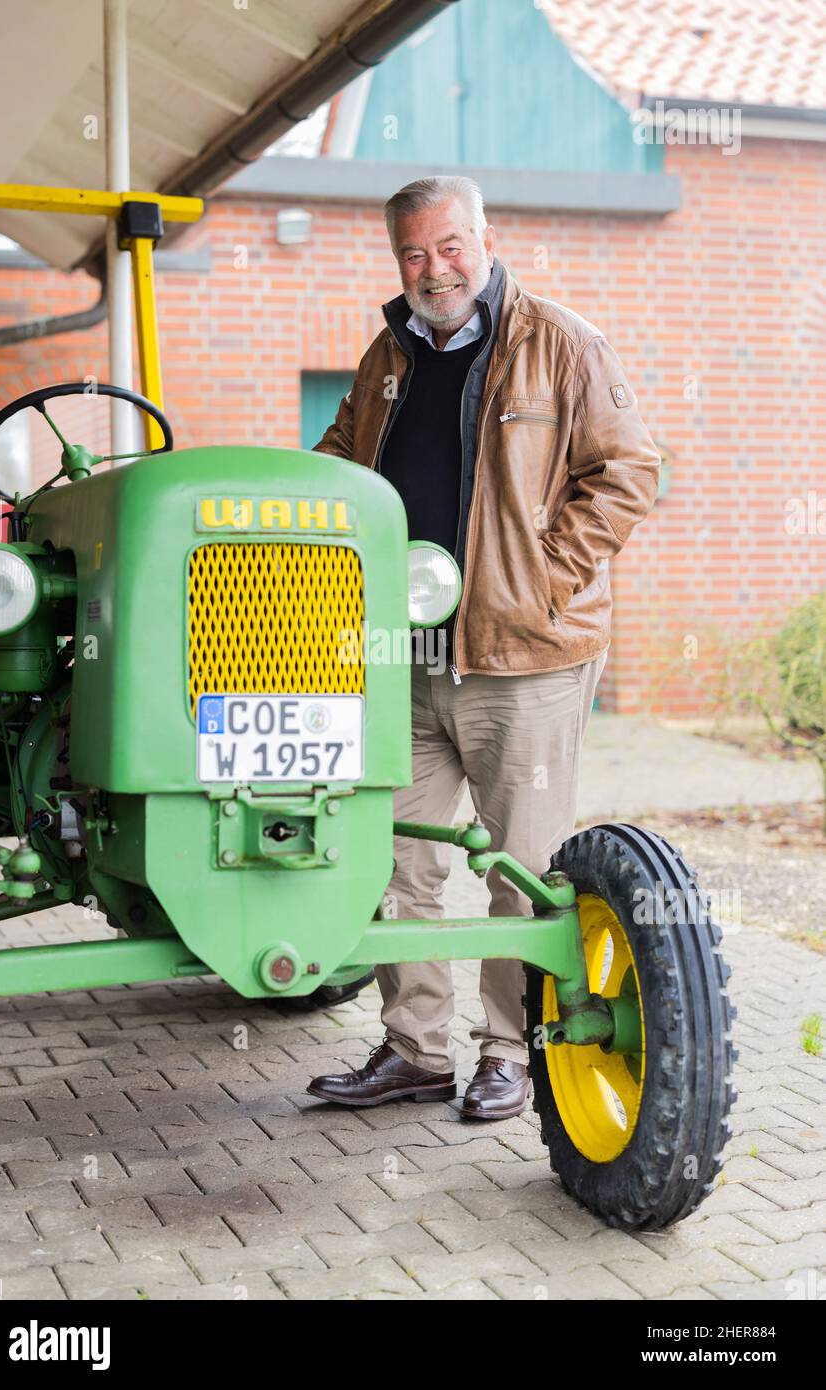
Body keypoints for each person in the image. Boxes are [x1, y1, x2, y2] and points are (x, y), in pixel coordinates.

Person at [308, 175, 660, 1119]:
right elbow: (341, 461)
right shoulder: (388, 353)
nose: (434, 269)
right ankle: (415, 1050)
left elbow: (627, 471)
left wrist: (542, 578)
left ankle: (510, 1052)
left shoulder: (560, 342)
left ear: (483, 237)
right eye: (414, 254)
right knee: (396, 864)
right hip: (404, 658)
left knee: (520, 869)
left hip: (523, 658)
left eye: (449, 245)